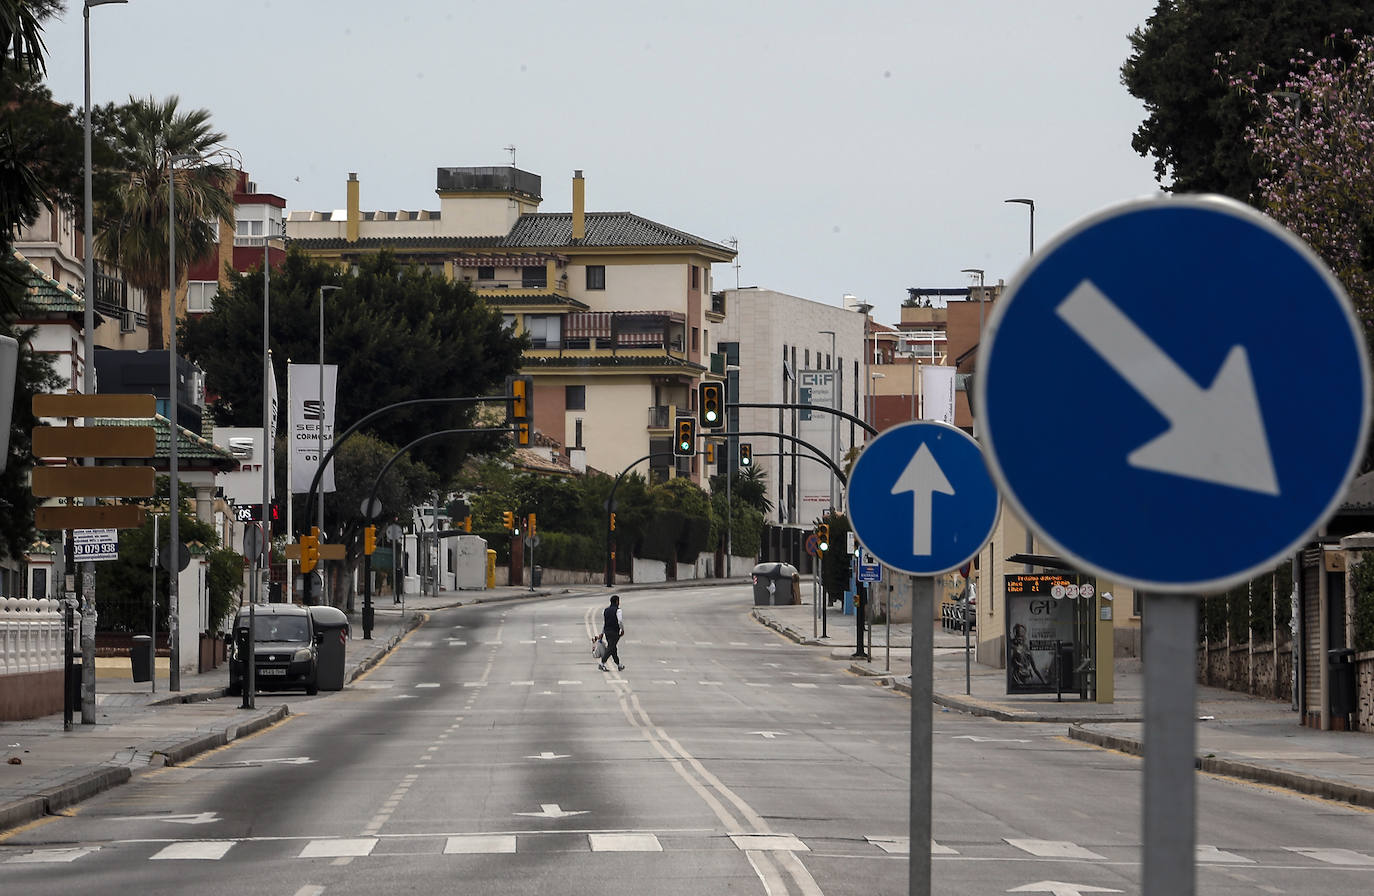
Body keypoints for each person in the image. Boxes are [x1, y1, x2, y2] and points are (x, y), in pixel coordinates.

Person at [598, 594, 624, 671]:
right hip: (614, 631)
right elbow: (620, 621)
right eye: (618, 601)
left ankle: (619, 665)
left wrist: (602, 633)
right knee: (611, 648)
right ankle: (602, 663)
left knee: (613, 648)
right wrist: (622, 629)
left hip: (607, 631)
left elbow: (605, 622)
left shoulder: (605, 610)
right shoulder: (618, 610)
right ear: (616, 601)